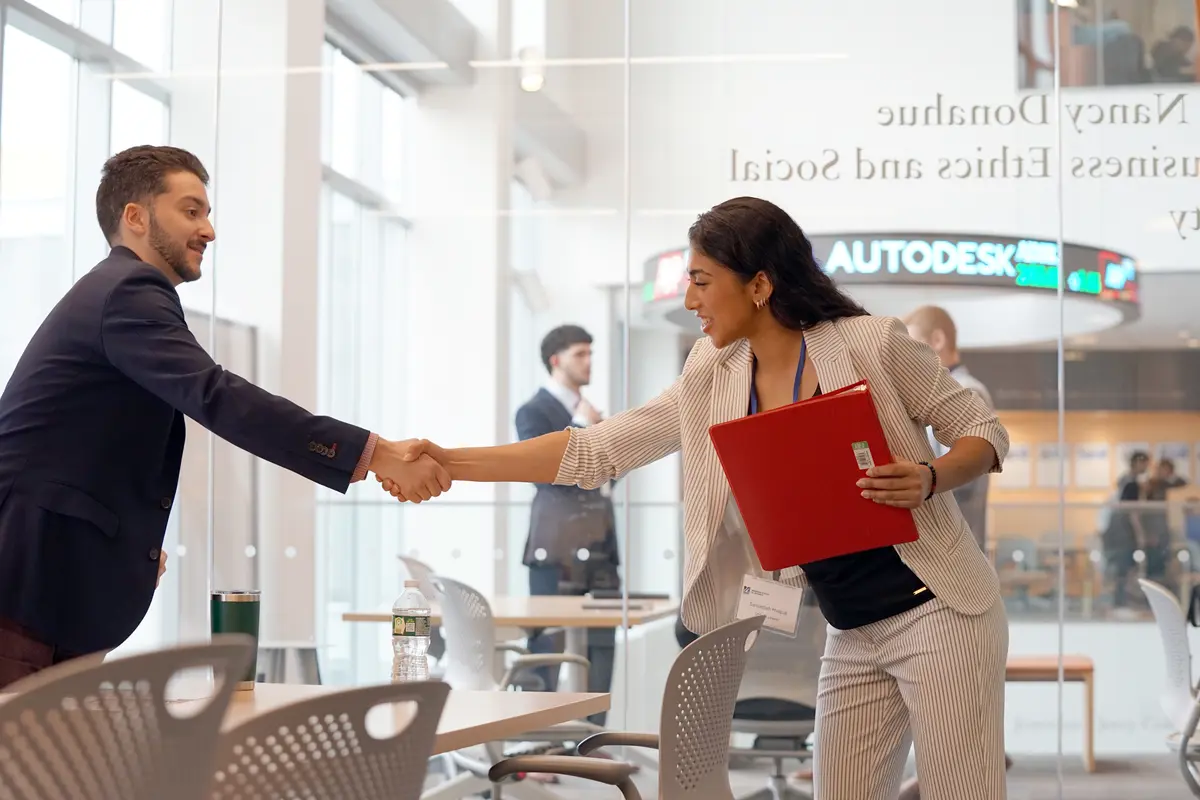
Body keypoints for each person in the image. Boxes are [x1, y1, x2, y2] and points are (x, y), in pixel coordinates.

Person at [386, 197, 1011, 800]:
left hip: (939, 612)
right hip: (850, 629)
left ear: (759, 283)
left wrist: (930, 476)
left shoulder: (870, 343)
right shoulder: (711, 374)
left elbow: (982, 429)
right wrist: (451, 460)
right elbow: (595, 451)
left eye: (703, 282)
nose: (690, 301)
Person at [0, 145, 448, 689]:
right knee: (22, 768)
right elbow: (218, 396)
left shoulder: (121, 294)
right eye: (191, 211)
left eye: (207, 213)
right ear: (135, 218)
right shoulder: (127, 290)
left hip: (53, 584)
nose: (208, 230)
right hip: (27, 578)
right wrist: (373, 453)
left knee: (45, 767)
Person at [515, 324, 619, 718]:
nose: (589, 361)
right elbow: (541, 471)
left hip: (600, 544)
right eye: (581, 354)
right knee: (547, 644)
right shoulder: (534, 412)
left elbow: (610, 473)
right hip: (554, 548)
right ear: (556, 360)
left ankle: (592, 737)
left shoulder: (590, 413)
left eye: (591, 353)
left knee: (602, 645)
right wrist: (582, 428)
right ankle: (538, 742)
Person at [904, 306, 994, 550]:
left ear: (937, 340)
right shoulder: (936, 396)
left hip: (955, 548)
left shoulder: (966, 393)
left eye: (913, 346)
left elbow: (958, 478)